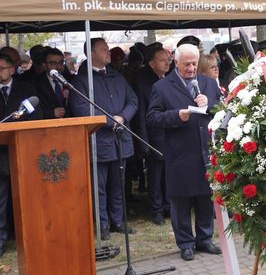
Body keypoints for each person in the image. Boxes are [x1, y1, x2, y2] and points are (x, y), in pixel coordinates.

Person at [146, 44, 222, 260]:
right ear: (175, 62)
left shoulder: (208, 83)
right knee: (180, 201)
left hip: (205, 151)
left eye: (194, 64)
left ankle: (205, 239)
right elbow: (152, 117)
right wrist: (176, 116)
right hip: (180, 152)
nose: (191, 68)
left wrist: (210, 105)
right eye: (186, 64)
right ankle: (186, 243)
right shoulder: (162, 87)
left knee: (205, 198)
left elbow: (223, 110)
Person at [69, 38, 139, 241]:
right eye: (103, 49)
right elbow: (81, 110)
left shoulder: (117, 76)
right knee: (98, 187)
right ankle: (103, 223)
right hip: (97, 141)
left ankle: (118, 220)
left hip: (120, 139)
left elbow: (132, 100)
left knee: (119, 184)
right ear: (91, 53)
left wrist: (122, 117)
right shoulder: (81, 81)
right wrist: (111, 121)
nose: (109, 52)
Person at [0, 53, 42, 257]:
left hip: (23, 152)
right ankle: (1, 240)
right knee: (1, 202)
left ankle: (31, 237)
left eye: (1, 68)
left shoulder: (26, 90)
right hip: (0, 156)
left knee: (28, 199)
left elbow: (38, 118)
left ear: (11, 69)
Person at [133, 46, 172, 225]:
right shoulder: (143, 83)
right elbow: (140, 115)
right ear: (151, 63)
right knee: (155, 175)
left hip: (171, 134)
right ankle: (156, 209)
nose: (167, 63)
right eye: (162, 60)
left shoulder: (171, 79)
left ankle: (168, 206)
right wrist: (144, 143)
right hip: (154, 137)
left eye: (167, 59)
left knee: (170, 173)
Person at [34, 47, 69, 119]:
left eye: (61, 63)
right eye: (53, 63)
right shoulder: (35, 84)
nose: (58, 66)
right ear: (44, 65)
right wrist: (51, 113)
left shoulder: (70, 80)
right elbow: (32, 110)